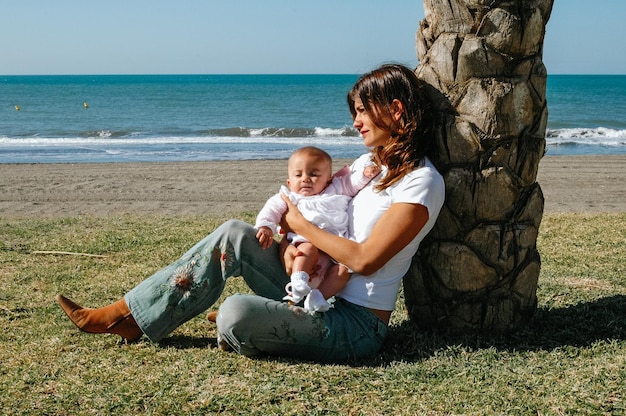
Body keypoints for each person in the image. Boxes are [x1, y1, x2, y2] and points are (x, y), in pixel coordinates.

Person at [56, 63, 445, 363]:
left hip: (352, 323)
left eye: (363, 111)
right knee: (235, 234)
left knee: (235, 312)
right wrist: (289, 240)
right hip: (309, 282)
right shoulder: (367, 164)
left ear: (395, 110)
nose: (355, 121)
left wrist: (300, 224)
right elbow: (316, 193)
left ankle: (254, 322)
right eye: (354, 111)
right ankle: (126, 316)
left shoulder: (422, 183)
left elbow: (366, 259)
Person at [255, 146, 380, 313]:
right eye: (298, 175)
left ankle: (318, 297)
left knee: (343, 271)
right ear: (289, 182)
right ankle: (298, 281)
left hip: (334, 250)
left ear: (328, 179)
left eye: (313, 174)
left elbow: (351, 183)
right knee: (307, 248)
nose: (306, 179)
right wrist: (265, 226)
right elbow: (272, 209)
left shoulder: (335, 188)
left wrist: (364, 175)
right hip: (305, 243)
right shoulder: (290, 196)